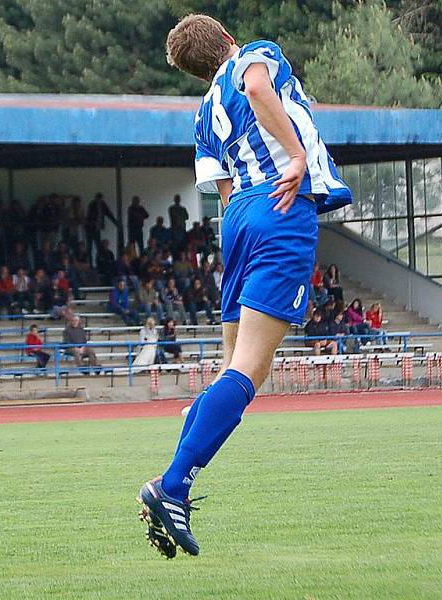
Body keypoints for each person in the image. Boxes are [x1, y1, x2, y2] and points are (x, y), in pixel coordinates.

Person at [137, 14, 352, 559]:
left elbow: (223, 187)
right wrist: (298, 155)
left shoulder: (203, 112)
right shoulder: (254, 54)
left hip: (239, 217)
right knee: (250, 369)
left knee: (231, 363)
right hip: (282, 208)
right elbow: (257, 86)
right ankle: (173, 485)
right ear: (228, 41)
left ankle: (185, 455)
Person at [85, 193, 118, 265]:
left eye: (100, 199)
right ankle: (90, 264)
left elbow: (109, 213)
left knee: (99, 247)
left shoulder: (103, 204)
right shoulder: (92, 205)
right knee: (90, 247)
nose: (99, 200)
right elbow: (89, 216)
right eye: (98, 199)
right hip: (90, 228)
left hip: (97, 228)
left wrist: (115, 222)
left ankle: (99, 263)